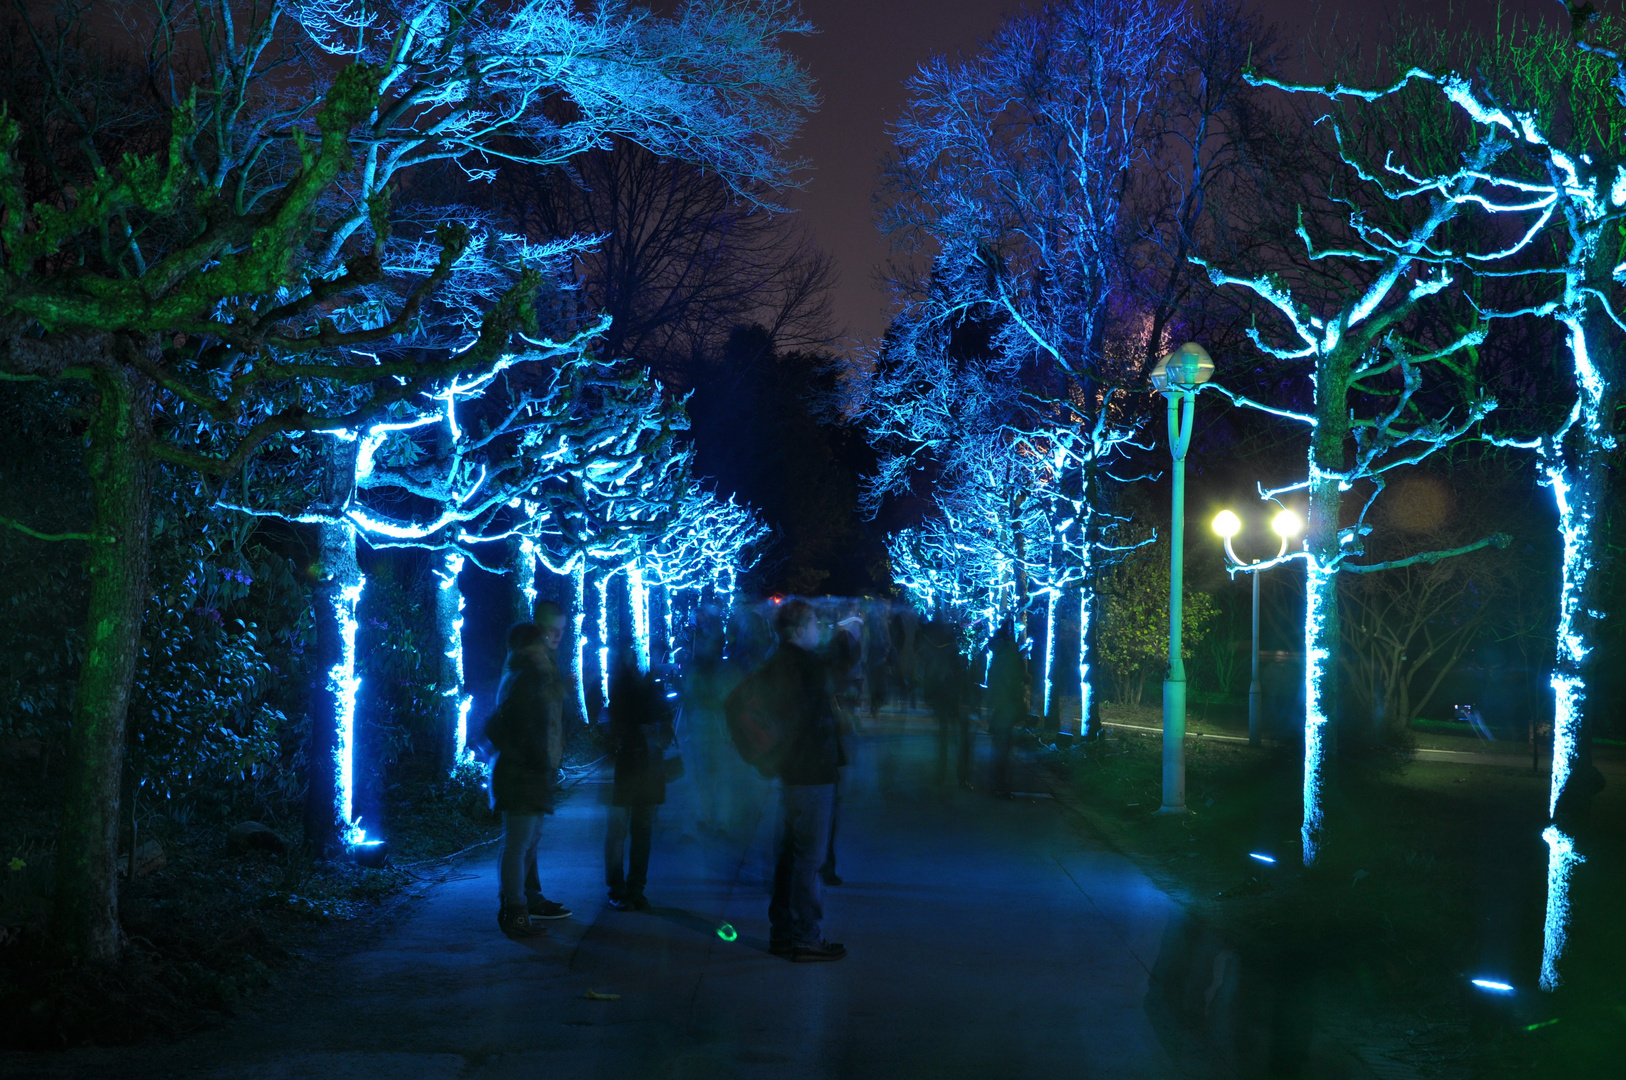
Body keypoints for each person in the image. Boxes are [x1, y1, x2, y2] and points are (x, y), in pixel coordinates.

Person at [758, 599, 847, 962]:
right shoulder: (807, 667)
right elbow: (814, 721)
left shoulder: (774, 663)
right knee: (809, 858)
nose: (818, 630)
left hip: (791, 773)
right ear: (798, 629)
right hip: (812, 773)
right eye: (813, 624)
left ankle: (782, 930)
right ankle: (806, 936)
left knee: (789, 855)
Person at [488, 616, 571, 937]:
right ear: (528, 646)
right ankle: (516, 911)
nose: (547, 646)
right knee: (518, 844)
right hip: (520, 774)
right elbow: (509, 726)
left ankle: (517, 907)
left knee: (525, 844)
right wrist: (530, 756)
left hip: (528, 772)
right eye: (539, 641)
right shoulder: (525, 678)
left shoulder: (529, 677)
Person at [604, 647, 672, 910]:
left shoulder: (625, 689)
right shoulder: (645, 689)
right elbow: (663, 732)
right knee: (637, 830)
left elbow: (613, 729)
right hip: (643, 766)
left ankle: (622, 889)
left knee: (623, 831)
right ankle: (632, 889)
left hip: (632, 766)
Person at [922, 617, 973, 789]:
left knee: (944, 739)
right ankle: (961, 777)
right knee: (960, 741)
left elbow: (932, 678)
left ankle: (941, 775)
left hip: (945, 700)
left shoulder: (938, 653)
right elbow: (961, 678)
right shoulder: (954, 653)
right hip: (953, 699)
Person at [986, 619, 1029, 799]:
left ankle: (997, 782)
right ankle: (1002, 785)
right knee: (1004, 746)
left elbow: (992, 678)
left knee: (1000, 745)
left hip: (998, 704)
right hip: (1008, 704)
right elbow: (1017, 679)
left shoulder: (997, 652)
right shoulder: (1012, 653)